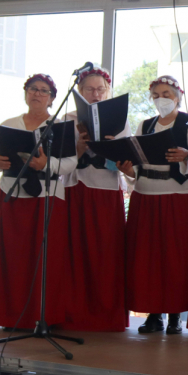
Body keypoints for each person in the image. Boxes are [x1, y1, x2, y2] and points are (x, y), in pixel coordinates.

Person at [0, 74, 78, 329]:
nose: (37, 94)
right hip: (13, 193)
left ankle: (43, 316)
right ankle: (10, 315)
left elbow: (71, 162)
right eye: (32, 89)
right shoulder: (10, 123)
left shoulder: (60, 127)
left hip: (47, 196)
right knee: (13, 257)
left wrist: (47, 163)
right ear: (26, 93)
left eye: (43, 90)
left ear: (52, 98)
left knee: (46, 258)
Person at [119, 75, 188, 335]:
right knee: (148, 256)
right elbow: (135, 164)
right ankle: (153, 314)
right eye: (156, 94)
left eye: (166, 93)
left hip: (178, 195)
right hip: (146, 195)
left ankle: (175, 315)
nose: (161, 99)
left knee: (176, 256)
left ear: (178, 95)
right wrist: (127, 169)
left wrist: (186, 155)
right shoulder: (145, 125)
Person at [62, 67, 130, 332]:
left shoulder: (120, 122)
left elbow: (126, 162)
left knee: (105, 253)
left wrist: (112, 147)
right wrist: (78, 147)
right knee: (74, 252)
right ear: (79, 92)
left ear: (107, 92)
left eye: (100, 89)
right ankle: (72, 313)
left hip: (106, 190)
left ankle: (106, 316)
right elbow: (60, 164)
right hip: (75, 188)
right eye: (89, 89)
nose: (95, 94)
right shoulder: (68, 120)